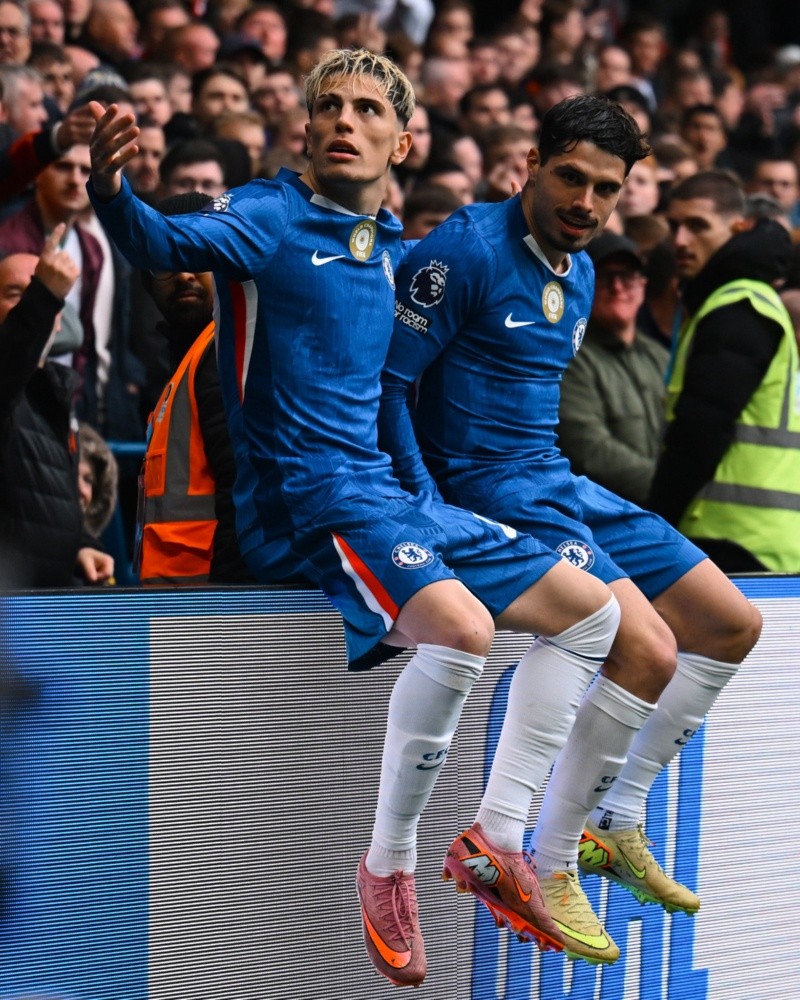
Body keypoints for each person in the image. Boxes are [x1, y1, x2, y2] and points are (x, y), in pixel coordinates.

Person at [87, 49, 635, 985]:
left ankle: (500, 838)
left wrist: (424, 493)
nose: (347, 120)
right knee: (461, 629)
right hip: (307, 501)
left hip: (386, 497)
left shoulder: (391, 252)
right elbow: (153, 242)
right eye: (329, 107)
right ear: (305, 130)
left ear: (403, 140)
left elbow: (388, 401)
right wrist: (109, 183)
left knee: (596, 615)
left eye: (369, 109)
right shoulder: (265, 218)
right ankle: (388, 868)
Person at [383, 94, 761, 960]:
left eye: (606, 187)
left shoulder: (583, 269)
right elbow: (391, 387)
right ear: (529, 162)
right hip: (490, 492)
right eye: (570, 178)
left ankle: (618, 816)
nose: (585, 202)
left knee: (732, 622)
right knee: (648, 649)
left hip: (556, 480)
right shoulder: (464, 250)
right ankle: (537, 854)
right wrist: (421, 498)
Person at [650, 169, 800, 573]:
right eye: (674, 226)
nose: (680, 241)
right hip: (761, 537)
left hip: (732, 538)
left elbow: (700, 430)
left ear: (738, 228)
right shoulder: (743, 299)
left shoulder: (738, 306)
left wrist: (655, 525)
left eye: (697, 226)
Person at [138, 191, 252, 585]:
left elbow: (241, 491)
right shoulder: (187, 361)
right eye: (168, 260)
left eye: (198, 256)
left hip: (207, 606)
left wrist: (224, 603)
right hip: (179, 600)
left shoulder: (221, 353)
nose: (185, 273)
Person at [0, 228, 113, 587]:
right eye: (17, 293)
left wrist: (80, 545)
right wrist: (44, 293)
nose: (30, 303)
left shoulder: (53, 393)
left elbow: (40, 498)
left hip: (46, 608)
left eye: (46, 295)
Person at [558, 232, 669, 506]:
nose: (618, 288)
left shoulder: (661, 356)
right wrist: (672, 488)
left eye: (627, 277)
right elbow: (589, 449)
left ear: (643, 285)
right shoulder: (570, 357)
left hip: (667, 517)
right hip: (607, 518)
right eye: (605, 278)